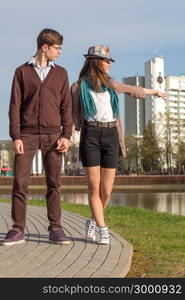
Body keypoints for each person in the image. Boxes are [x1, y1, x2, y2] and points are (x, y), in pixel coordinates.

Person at [71, 45, 166, 245]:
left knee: (107, 191)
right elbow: (71, 114)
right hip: (90, 135)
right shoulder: (79, 87)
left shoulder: (112, 84)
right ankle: (103, 229)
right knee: (94, 188)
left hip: (111, 135)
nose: (108, 64)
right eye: (106, 61)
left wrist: (155, 92)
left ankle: (92, 222)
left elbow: (133, 90)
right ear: (96, 62)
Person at [2, 28, 73, 246]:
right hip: (27, 135)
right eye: (57, 48)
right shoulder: (22, 72)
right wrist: (16, 136)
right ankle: (17, 229)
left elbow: (66, 107)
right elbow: (14, 106)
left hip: (53, 136)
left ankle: (56, 228)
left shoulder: (61, 73)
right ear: (45, 47)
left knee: (54, 183)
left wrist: (66, 135)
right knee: (20, 182)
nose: (60, 52)